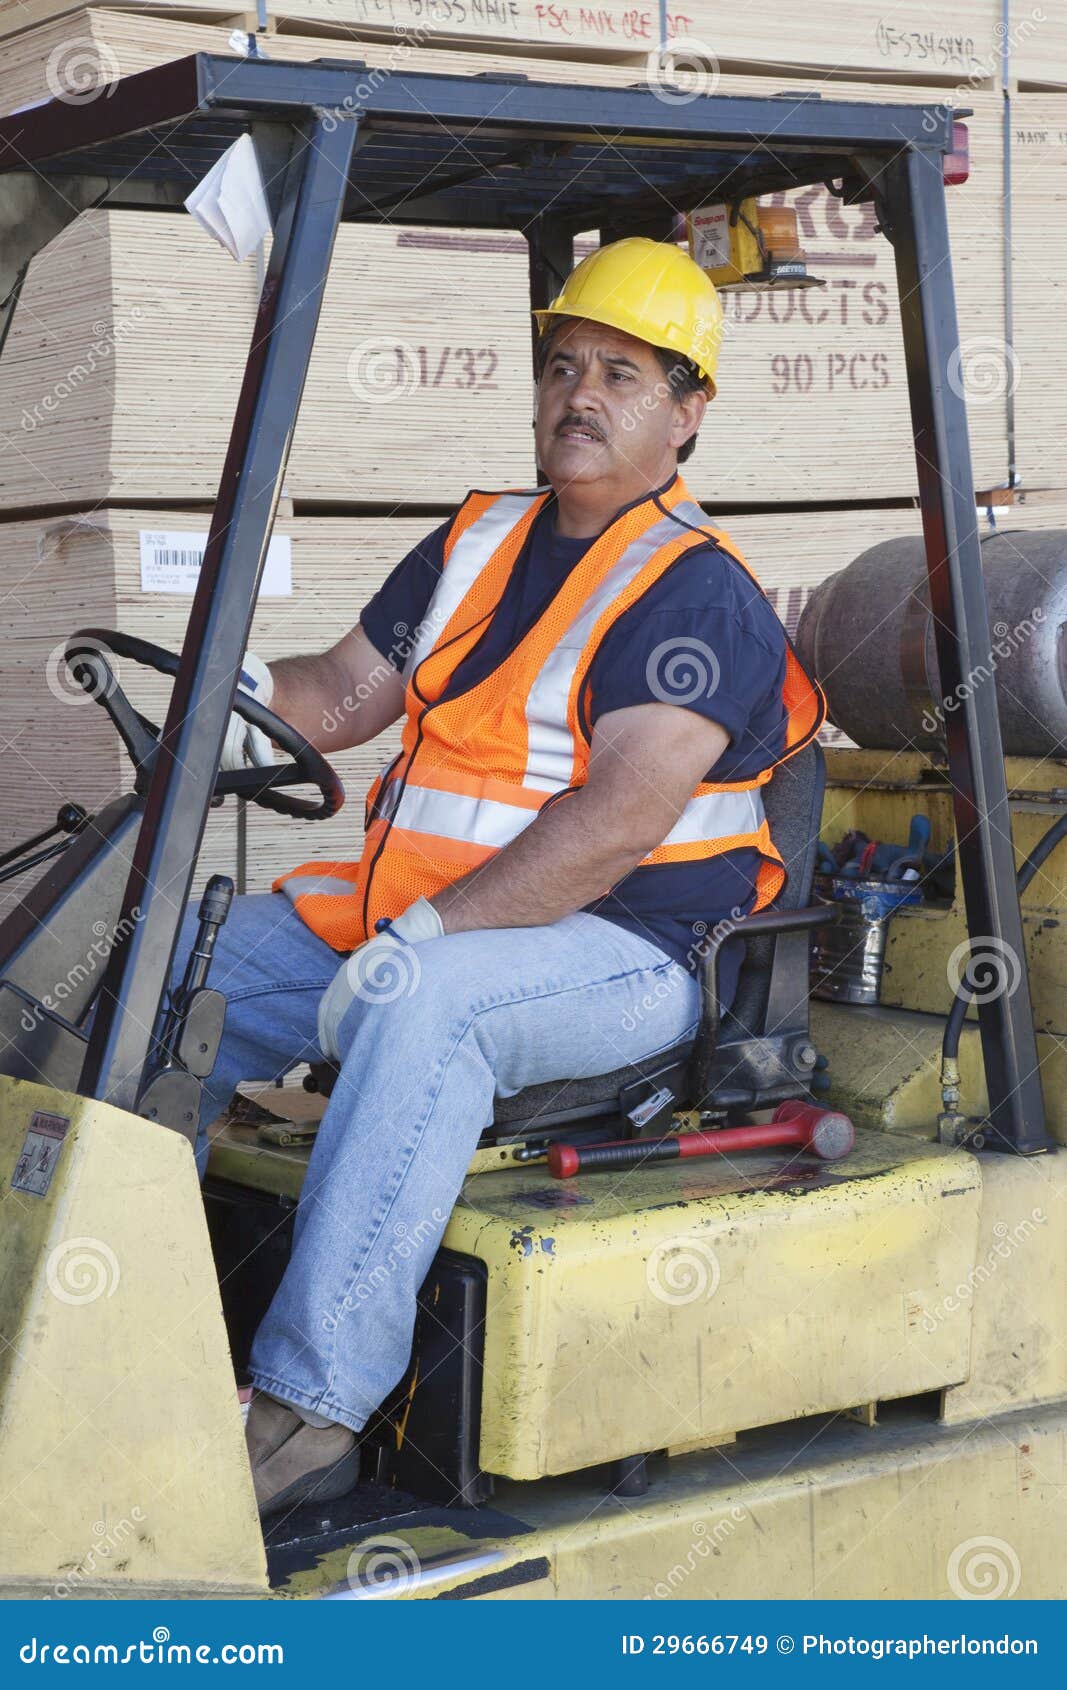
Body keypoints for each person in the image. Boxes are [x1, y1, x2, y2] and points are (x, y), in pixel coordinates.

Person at [179, 237, 824, 1516]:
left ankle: (309, 1412)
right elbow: (341, 694)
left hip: (630, 957)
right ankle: (123, 1324)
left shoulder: (696, 596)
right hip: (416, 918)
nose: (579, 395)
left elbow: (604, 829)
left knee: (424, 1005)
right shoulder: (476, 539)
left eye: (623, 375)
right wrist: (223, 702)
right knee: (165, 958)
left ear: (687, 410)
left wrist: (412, 940)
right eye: (563, 365)